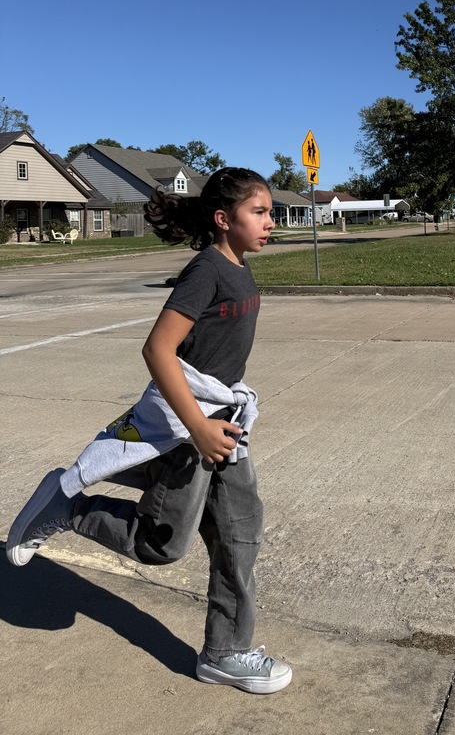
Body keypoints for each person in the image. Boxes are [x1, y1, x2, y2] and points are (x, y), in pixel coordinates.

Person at [6, 167, 292, 695]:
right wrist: (199, 427)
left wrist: (220, 419)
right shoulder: (207, 270)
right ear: (224, 220)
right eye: (261, 212)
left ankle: (225, 652)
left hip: (223, 423)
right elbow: (158, 350)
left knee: (240, 531)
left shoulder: (239, 267)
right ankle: (68, 508)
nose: (271, 221)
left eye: (271, 212)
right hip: (190, 430)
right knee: (161, 543)